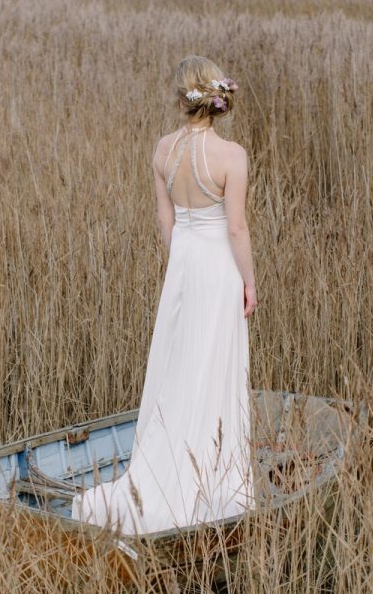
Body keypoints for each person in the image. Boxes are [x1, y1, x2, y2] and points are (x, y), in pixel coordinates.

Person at [71, 54, 258, 536]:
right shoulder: (231, 156)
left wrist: (182, 265)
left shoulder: (162, 150)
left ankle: (164, 463)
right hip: (218, 265)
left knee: (178, 361)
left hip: (184, 262)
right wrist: (249, 282)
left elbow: (165, 221)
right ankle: (213, 479)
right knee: (212, 360)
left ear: (182, 99)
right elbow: (236, 228)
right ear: (219, 100)